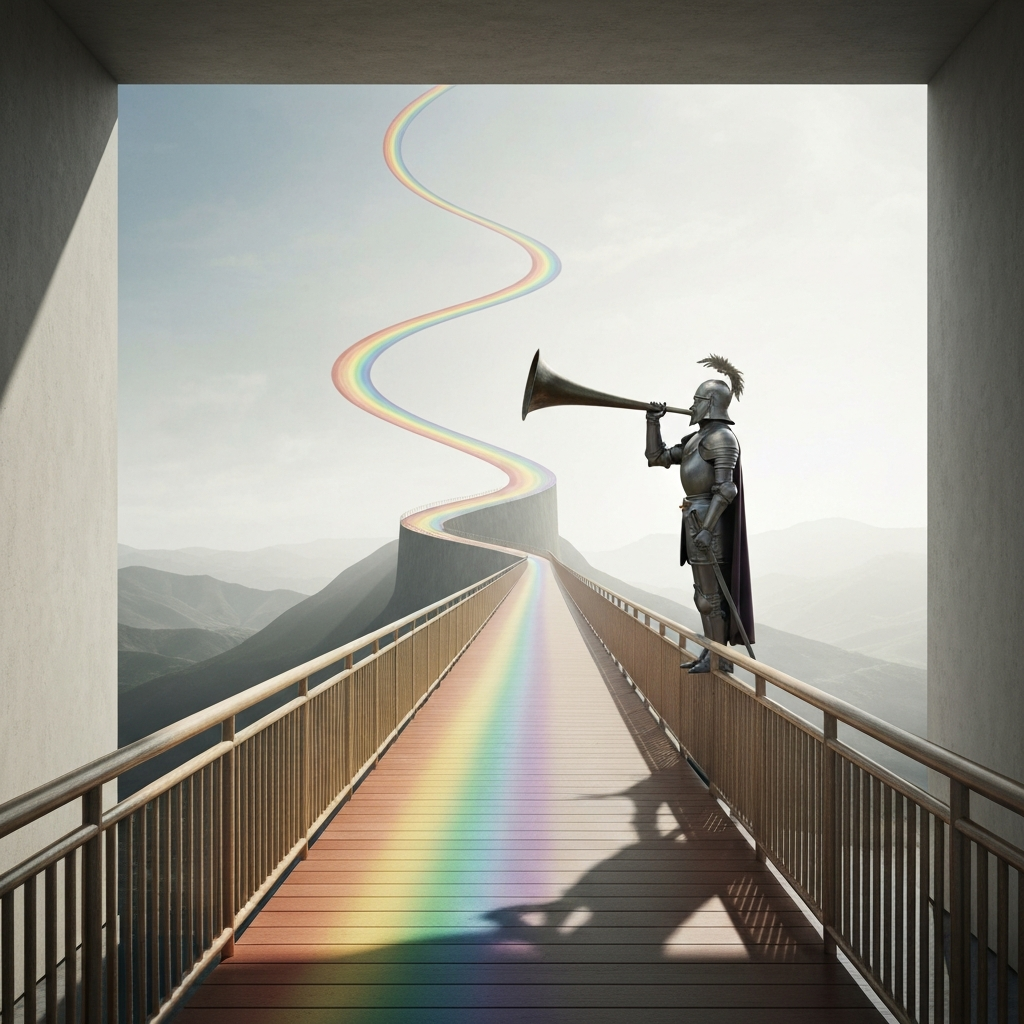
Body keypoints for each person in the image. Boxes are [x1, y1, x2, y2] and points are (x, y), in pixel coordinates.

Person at [645, 355, 754, 673]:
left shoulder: (721, 438)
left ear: (709, 403)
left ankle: (720, 659)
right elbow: (657, 457)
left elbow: (726, 490)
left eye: (696, 401)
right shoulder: (696, 440)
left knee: (711, 597)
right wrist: (654, 421)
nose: (691, 406)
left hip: (710, 523)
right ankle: (711, 652)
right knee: (702, 595)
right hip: (694, 519)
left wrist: (707, 527)